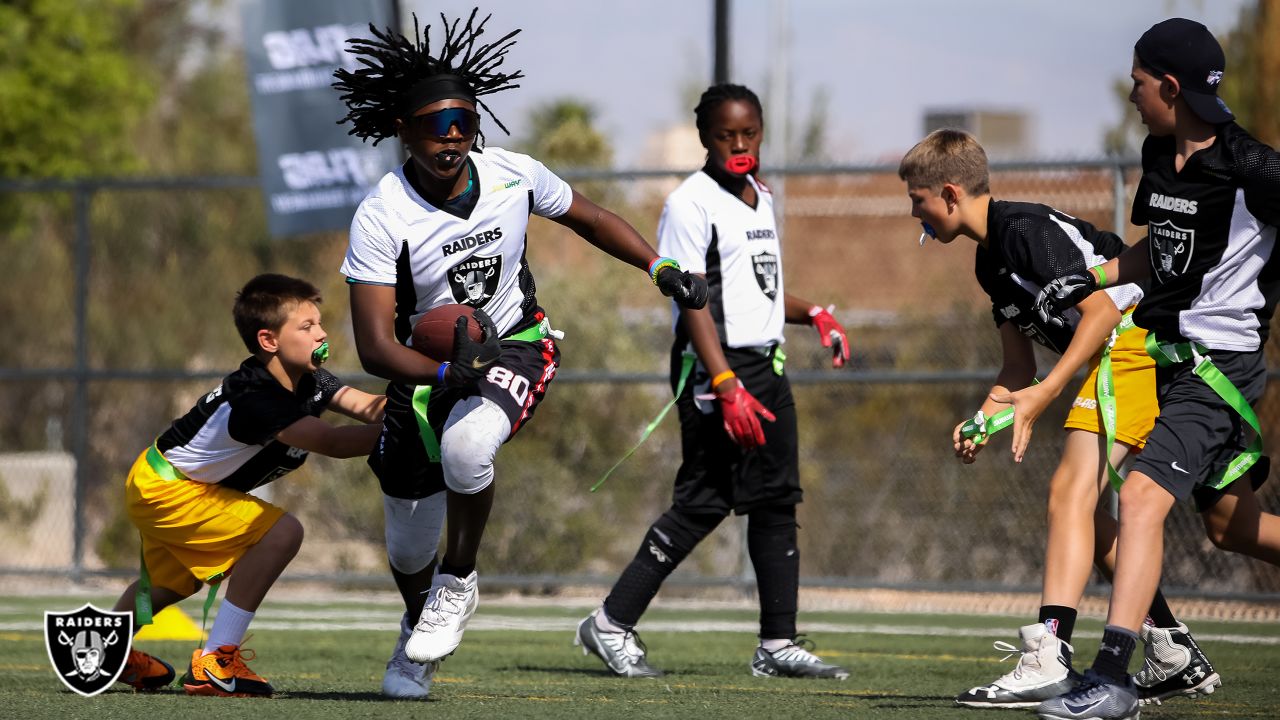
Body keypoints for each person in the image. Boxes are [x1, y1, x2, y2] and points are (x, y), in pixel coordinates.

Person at [332, 9, 709, 699]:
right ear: (402, 130)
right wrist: (448, 369)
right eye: (434, 126)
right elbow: (376, 345)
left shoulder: (512, 174)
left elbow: (591, 217)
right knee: (407, 545)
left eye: (464, 124)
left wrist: (660, 268)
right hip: (426, 375)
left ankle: (460, 580)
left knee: (469, 449)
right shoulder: (382, 213)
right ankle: (418, 632)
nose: (451, 139)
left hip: (516, 345)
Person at [898, 128, 1231, 710]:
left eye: (917, 199)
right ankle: (1171, 648)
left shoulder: (1023, 230)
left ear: (949, 193)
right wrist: (982, 421)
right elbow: (1016, 366)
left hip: (1137, 343)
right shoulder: (988, 263)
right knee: (1225, 525)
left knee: (1068, 494)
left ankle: (1049, 655)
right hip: (1115, 355)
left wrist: (1050, 390)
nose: (914, 213)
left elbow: (1101, 311)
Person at [1031, 18, 1280, 720]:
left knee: (1139, 499)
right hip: (1174, 366)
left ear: (1169, 86)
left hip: (1219, 371)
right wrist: (1096, 278)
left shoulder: (1253, 168)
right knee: (1232, 529)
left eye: (1138, 83)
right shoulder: (1156, 154)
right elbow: (1159, 253)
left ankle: (1111, 677)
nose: (1131, 94)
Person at [575, 83, 850, 681]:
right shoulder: (689, 203)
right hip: (716, 368)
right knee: (704, 500)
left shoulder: (760, 195)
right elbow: (693, 300)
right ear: (705, 137)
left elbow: (759, 291)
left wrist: (816, 314)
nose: (740, 144)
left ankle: (777, 643)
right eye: (726, 135)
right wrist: (724, 382)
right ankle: (610, 623)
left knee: (777, 500)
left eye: (749, 133)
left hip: (766, 366)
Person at [107, 273, 386, 697]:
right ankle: (217, 661)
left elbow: (367, 407)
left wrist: (428, 393)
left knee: (173, 583)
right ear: (269, 340)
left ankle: (107, 651)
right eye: (307, 326)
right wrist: (406, 433)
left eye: (320, 323)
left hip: (166, 480)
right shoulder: (259, 397)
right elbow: (332, 442)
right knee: (283, 532)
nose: (322, 333)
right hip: (170, 489)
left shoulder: (309, 379)